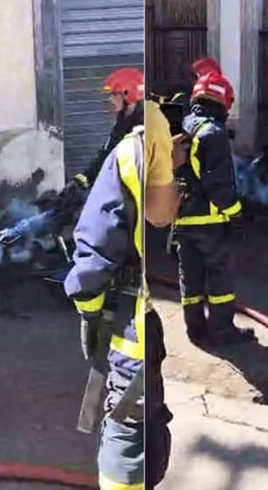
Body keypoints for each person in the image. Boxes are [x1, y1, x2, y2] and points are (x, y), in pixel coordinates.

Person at [64, 97, 184, 489]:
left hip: (127, 324)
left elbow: (94, 249)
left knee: (129, 425)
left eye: (115, 96)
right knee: (135, 422)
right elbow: (161, 214)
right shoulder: (149, 136)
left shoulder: (131, 147)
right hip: (140, 323)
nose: (108, 102)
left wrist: (90, 313)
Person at [174, 69, 255, 347]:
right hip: (210, 223)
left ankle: (195, 330)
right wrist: (237, 215)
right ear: (223, 101)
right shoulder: (214, 133)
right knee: (220, 278)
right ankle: (222, 332)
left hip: (182, 221)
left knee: (191, 278)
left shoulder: (183, 127)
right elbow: (219, 185)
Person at [68, 68, 146, 194]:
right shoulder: (122, 121)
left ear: (129, 94)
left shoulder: (143, 126)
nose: (110, 99)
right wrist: (83, 179)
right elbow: (106, 153)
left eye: (114, 94)